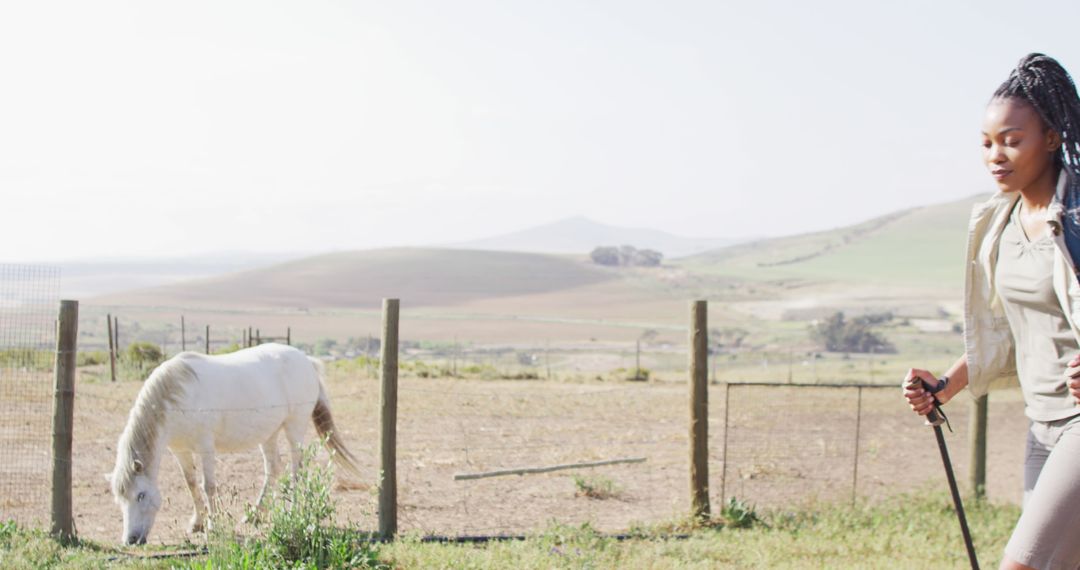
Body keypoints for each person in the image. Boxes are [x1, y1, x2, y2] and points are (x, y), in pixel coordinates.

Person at [903, 53, 1080, 570]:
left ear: (1050, 138)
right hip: (1042, 423)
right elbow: (1005, 327)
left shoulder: (1075, 221)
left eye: (1011, 139)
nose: (995, 155)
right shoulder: (997, 224)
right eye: (986, 143)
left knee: (1021, 565)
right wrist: (946, 385)